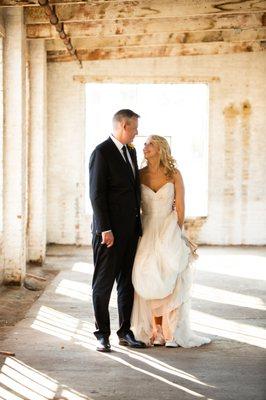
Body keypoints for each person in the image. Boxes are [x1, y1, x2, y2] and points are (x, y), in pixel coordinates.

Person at [131, 135, 211, 348]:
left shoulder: (174, 174)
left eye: (150, 144)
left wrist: (175, 233)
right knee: (148, 276)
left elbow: (181, 208)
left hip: (169, 228)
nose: (145, 147)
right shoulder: (138, 175)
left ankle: (171, 332)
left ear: (160, 149)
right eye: (145, 144)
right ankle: (154, 331)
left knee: (171, 277)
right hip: (147, 229)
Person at [89, 109, 146, 352]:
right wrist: (105, 229)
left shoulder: (131, 152)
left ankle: (125, 332)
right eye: (134, 128)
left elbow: (133, 190)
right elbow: (96, 194)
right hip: (108, 234)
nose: (137, 133)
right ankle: (102, 334)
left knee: (127, 284)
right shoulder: (101, 152)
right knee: (103, 285)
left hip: (131, 232)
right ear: (123, 125)